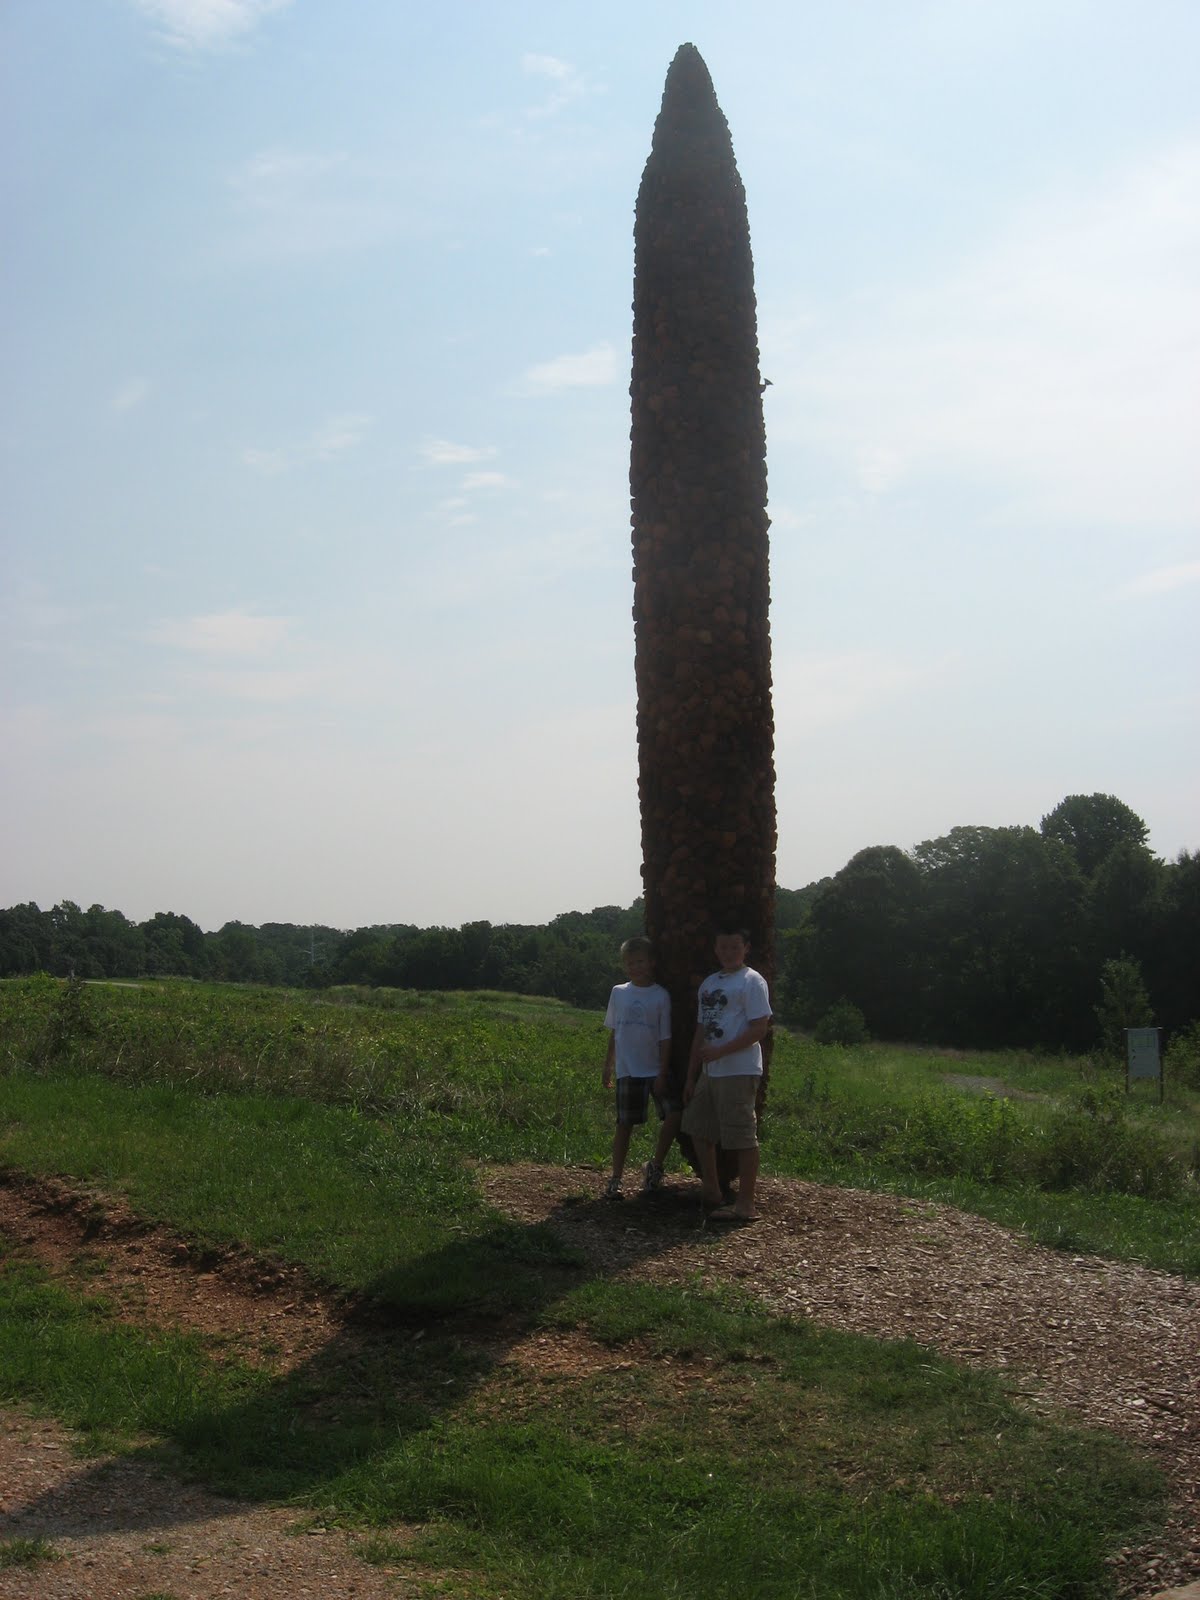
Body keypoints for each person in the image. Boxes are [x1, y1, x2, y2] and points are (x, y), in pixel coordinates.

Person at [681, 925, 771, 1222]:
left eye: (735, 947)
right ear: (716, 949)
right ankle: (712, 1189)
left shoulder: (752, 981)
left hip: (738, 1069)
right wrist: (692, 1076)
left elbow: (759, 1028)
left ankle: (746, 1204)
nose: (729, 953)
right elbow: (701, 1031)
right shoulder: (709, 983)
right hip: (711, 1071)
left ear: (746, 948)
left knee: (742, 1135)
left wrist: (722, 1051)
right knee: (696, 1126)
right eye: (723, 947)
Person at [601, 935, 678, 1198]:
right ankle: (616, 1178)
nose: (636, 967)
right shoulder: (619, 993)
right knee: (624, 1124)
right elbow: (615, 1032)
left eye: (640, 961)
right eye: (630, 963)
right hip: (628, 1070)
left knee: (674, 1114)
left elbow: (665, 1037)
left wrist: (662, 1071)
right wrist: (608, 1065)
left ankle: (655, 1166)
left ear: (652, 962)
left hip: (653, 1069)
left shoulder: (660, 996)